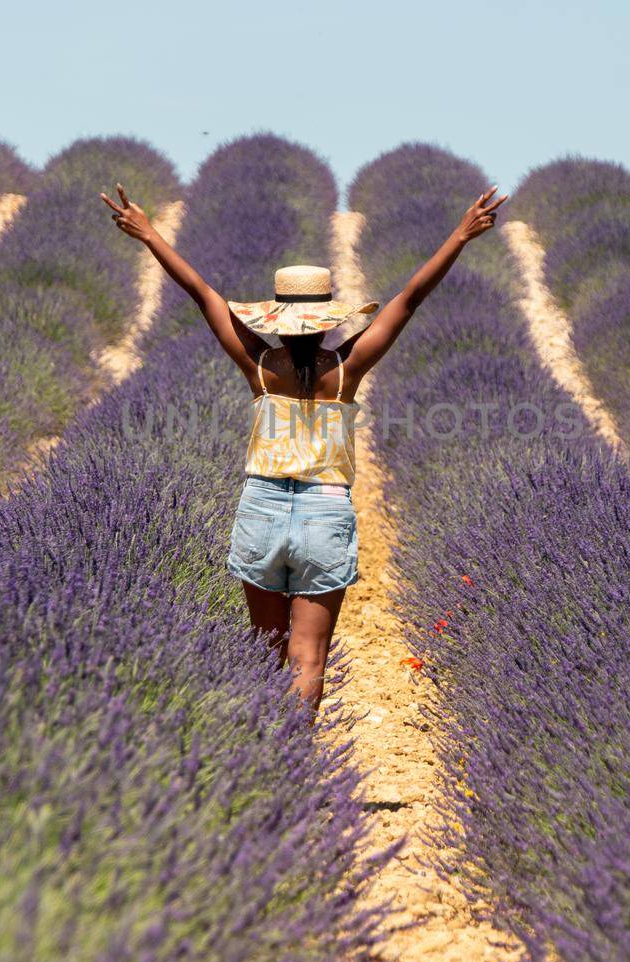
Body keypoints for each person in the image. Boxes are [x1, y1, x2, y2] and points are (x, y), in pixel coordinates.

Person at [100, 179, 507, 710]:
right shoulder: (345, 370)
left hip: (261, 507)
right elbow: (409, 299)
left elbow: (202, 294)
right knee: (309, 657)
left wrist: (150, 233)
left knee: (265, 650)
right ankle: (301, 766)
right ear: (325, 319)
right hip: (324, 511)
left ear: (278, 316)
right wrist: (459, 235)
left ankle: (269, 762)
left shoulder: (262, 367)